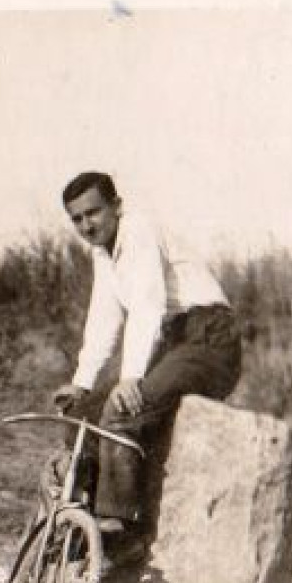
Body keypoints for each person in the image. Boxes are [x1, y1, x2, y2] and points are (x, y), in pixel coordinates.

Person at [51, 172, 242, 563]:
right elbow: (105, 318)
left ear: (116, 206)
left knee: (123, 409)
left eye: (94, 213)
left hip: (208, 340)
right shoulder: (102, 251)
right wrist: (81, 383)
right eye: (78, 219)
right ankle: (80, 520)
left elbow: (148, 305)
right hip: (171, 344)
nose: (88, 225)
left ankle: (122, 530)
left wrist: (131, 378)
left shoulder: (138, 230)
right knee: (81, 415)